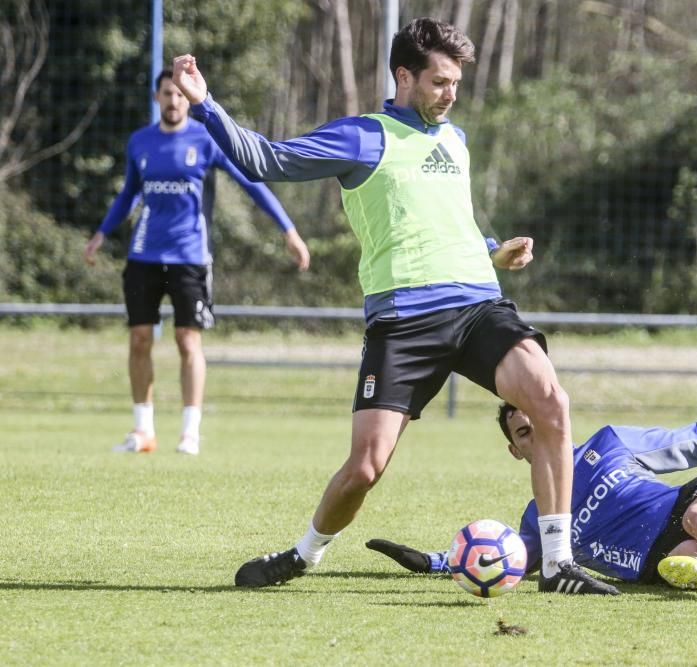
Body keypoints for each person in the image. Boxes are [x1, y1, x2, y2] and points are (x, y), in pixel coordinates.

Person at [170, 18, 613, 594]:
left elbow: (450, 220)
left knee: (551, 400)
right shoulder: (363, 136)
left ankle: (557, 565)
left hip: (479, 307)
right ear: (404, 76)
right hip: (404, 321)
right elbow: (266, 160)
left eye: (456, 83)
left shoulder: (455, 140)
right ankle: (303, 555)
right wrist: (206, 105)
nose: (450, 94)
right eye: (439, 82)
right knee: (365, 469)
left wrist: (493, 252)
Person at [366, 389, 697, 599]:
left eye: (540, 422)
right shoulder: (538, 520)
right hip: (658, 563)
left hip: (686, 515)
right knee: (686, 563)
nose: (538, 434)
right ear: (516, 451)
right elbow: (502, 558)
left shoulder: (611, 444)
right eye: (523, 433)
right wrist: (436, 562)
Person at [84, 70, 310, 457]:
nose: (173, 100)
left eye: (179, 94)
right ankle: (143, 431)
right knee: (139, 339)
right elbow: (128, 194)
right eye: (166, 94)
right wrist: (102, 232)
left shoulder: (205, 139)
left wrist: (288, 229)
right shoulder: (140, 141)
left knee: (187, 340)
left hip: (190, 257)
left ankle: (190, 432)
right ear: (157, 97)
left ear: (187, 99)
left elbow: (251, 183)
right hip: (143, 256)